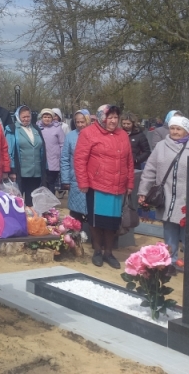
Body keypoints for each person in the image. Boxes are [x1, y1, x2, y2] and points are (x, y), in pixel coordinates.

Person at [138, 116, 189, 268]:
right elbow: (150, 170)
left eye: (178, 129)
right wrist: (143, 191)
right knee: (169, 232)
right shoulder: (161, 146)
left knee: (188, 234)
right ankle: (171, 263)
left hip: (188, 200)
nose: (174, 132)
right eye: (172, 128)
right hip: (167, 197)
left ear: (187, 131)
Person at [74, 104, 134, 270]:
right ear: (102, 118)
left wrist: (130, 183)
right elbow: (80, 159)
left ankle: (109, 252)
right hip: (97, 185)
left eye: (116, 117)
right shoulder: (88, 133)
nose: (113, 121)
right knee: (97, 221)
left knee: (112, 222)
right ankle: (97, 251)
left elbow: (129, 161)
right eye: (110, 117)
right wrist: (83, 182)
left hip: (117, 186)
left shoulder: (123, 135)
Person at [5, 105, 46, 206]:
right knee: (17, 202)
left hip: (35, 172)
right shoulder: (12, 129)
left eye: (28, 116)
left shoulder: (36, 129)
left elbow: (42, 149)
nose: (26, 119)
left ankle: (31, 216)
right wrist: (12, 171)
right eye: (23, 117)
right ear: (18, 117)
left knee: (32, 203)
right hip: (20, 172)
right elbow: (9, 151)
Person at [60, 110, 90, 222]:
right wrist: (65, 179)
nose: (80, 124)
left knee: (91, 211)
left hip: (92, 179)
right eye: (77, 122)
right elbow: (65, 159)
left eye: (83, 122)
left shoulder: (95, 135)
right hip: (75, 179)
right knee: (75, 213)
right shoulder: (70, 136)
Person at [36, 108, 65, 191]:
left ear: (52, 118)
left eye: (49, 117)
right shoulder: (37, 127)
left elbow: (62, 144)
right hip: (41, 160)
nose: (47, 119)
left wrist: (61, 158)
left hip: (54, 161)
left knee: (51, 183)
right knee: (41, 183)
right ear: (41, 117)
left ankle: (51, 198)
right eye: (45, 117)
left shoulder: (58, 128)